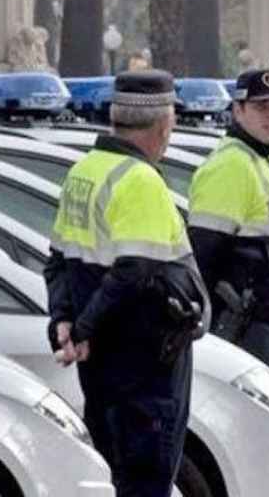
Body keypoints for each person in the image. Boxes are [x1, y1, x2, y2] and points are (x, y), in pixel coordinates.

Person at [46, 70, 208, 497]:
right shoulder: (140, 180)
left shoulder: (85, 170)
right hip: (145, 364)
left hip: (101, 364)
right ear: (164, 123)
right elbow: (135, 273)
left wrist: (65, 321)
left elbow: (58, 261)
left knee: (116, 477)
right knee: (146, 483)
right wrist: (80, 329)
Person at [188, 68, 269, 380]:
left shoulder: (257, 159)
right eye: (260, 107)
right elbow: (202, 260)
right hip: (243, 330)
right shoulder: (231, 165)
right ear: (238, 110)